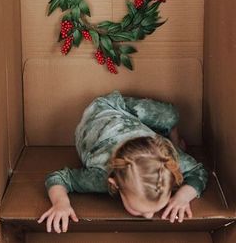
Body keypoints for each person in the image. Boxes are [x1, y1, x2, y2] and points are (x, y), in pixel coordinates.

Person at [40, 93, 208, 233]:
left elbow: (198, 172)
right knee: (167, 118)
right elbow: (59, 177)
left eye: (158, 207)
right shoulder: (100, 177)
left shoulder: (169, 158)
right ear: (115, 184)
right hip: (103, 110)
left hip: (124, 119)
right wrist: (61, 203)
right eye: (139, 210)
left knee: (170, 116)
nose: (150, 216)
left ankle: (174, 136)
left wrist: (183, 196)